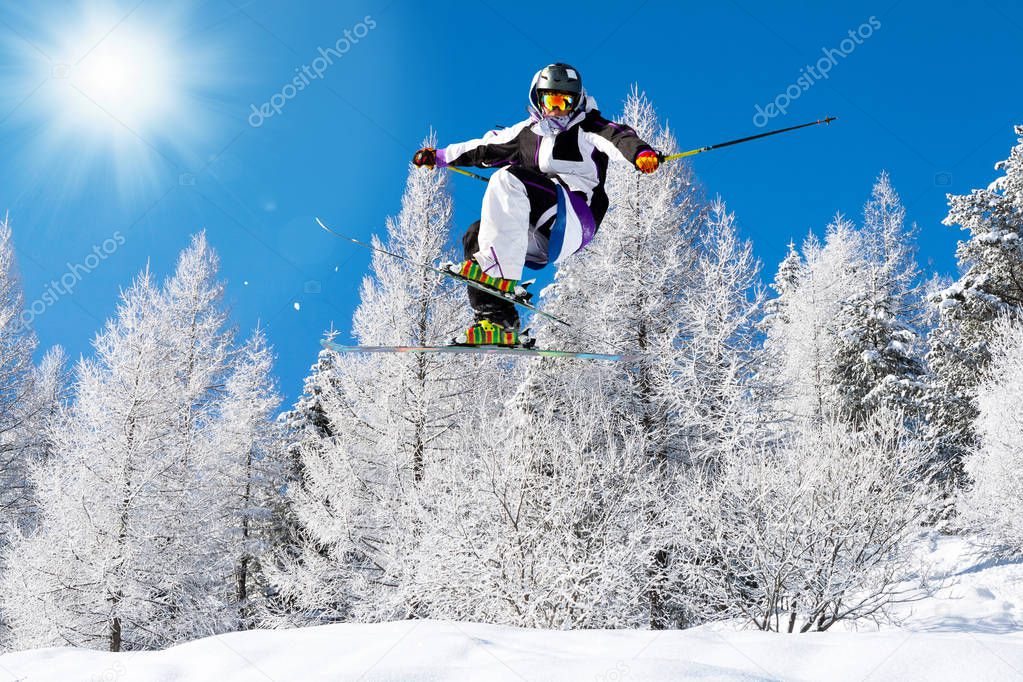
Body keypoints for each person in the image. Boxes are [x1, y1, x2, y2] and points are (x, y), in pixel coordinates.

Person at [413, 63, 660, 347]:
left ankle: (498, 274)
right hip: (542, 235)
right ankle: (499, 321)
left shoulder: (589, 127)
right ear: (538, 99)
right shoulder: (527, 133)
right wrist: (440, 157)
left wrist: (641, 153)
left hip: (576, 216)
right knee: (475, 235)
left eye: (565, 101)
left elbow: (619, 137)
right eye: (551, 100)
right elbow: (483, 147)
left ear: (577, 101)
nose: (558, 109)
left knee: (506, 179)